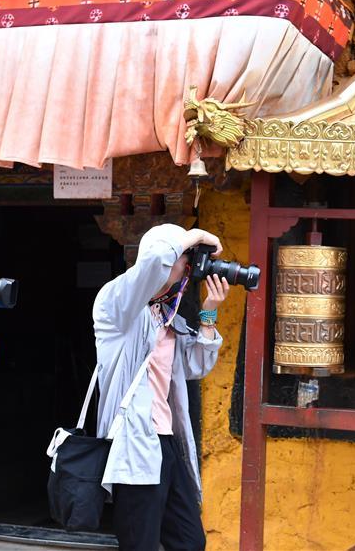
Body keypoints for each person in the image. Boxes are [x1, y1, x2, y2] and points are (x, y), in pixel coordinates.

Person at [93, 224, 230, 551]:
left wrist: (209, 310)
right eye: (184, 257)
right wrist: (195, 235)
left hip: (166, 442)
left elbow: (197, 366)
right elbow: (154, 260)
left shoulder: (168, 319)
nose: (187, 264)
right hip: (133, 444)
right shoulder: (116, 307)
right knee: (139, 543)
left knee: (190, 541)